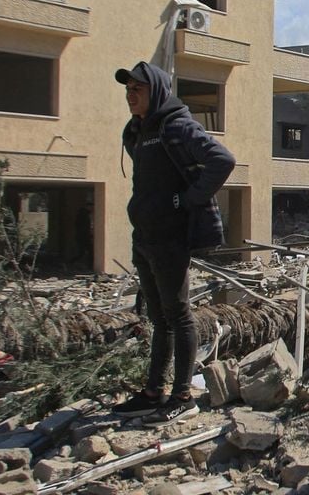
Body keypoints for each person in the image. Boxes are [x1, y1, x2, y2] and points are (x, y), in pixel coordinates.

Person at [112, 62, 235, 426]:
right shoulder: (137, 130)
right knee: (158, 317)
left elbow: (221, 160)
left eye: (138, 89)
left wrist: (187, 199)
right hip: (145, 236)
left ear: (157, 91)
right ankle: (154, 393)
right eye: (128, 89)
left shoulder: (175, 124)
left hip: (170, 237)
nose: (130, 95)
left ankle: (183, 395)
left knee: (178, 315)